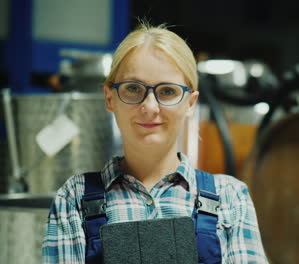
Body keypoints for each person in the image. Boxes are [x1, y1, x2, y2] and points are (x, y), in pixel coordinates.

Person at [42, 23, 268, 263]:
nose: (149, 107)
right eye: (132, 88)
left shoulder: (230, 198)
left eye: (167, 91)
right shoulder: (74, 198)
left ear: (190, 103)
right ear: (109, 98)